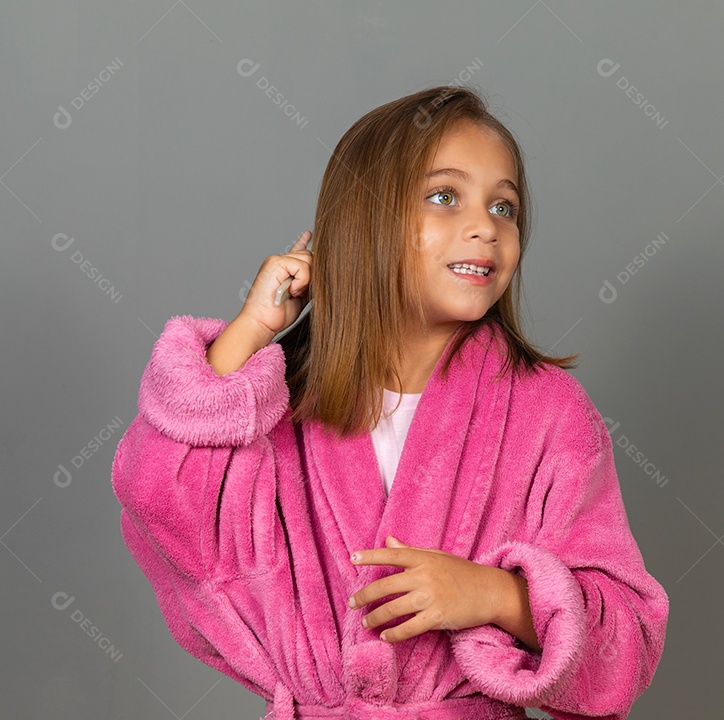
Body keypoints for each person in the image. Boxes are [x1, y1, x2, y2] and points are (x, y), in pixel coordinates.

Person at [111, 85, 669, 720]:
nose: (486, 225)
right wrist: (251, 331)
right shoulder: (279, 402)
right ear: (364, 219)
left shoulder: (547, 412)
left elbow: (626, 646)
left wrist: (494, 595)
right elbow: (160, 499)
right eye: (444, 196)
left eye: (505, 206)